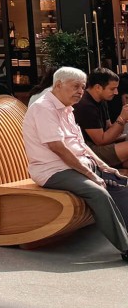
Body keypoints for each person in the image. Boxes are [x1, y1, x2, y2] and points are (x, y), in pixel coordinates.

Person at [22, 66, 128, 259]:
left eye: (82, 87)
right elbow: (58, 148)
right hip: (53, 170)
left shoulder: (67, 108)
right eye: (76, 86)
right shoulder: (43, 108)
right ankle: (125, 247)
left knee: (121, 183)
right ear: (58, 85)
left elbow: (80, 144)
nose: (80, 91)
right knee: (98, 193)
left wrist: (103, 166)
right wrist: (91, 174)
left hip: (77, 164)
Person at [74, 68, 128, 169]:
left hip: (99, 145)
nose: (116, 92)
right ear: (98, 87)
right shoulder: (86, 105)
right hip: (87, 150)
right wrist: (122, 118)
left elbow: (109, 130)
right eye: (112, 89)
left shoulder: (102, 100)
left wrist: (124, 120)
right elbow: (101, 140)